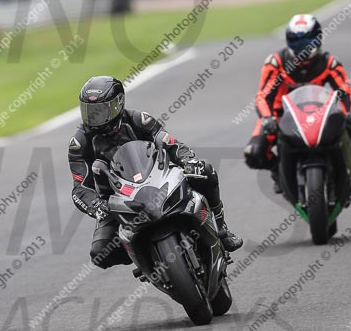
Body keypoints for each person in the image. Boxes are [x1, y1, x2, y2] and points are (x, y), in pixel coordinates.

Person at [69, 75, 243, 269]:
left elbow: (170, 143)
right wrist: (96, 206)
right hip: (117, 200)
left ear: (117, 105)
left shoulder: (139, 120)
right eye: (89, 111)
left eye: (100, 111)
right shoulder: (80, 143)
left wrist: (187, 160)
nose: (94, 117)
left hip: (158, 179)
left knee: (206, 171)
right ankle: (147, 261)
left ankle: (222, 229)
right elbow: (80, 188)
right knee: (100, 253)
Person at [244, 13, 351, 193]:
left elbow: (347, 93)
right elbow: (263, 96)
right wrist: (267, 118)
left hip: (319, 114)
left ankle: (350, 165)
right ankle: (278, 171)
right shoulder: (275, 63)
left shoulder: (329, 63)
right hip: (279, 116)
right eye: (296, 44)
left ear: (319, 40)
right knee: (254, 153)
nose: (303, 50)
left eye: (308, 44)